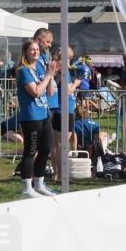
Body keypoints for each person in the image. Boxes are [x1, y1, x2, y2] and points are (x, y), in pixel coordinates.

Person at [16, 37, 59, 198]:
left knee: (45, 149)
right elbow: (35, 92)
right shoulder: (23, 71)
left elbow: (50, 92)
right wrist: (47, 76)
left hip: (44, 114)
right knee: (30, 151)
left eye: (37, 50)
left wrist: (51, 75)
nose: (35, 52)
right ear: (25, 53)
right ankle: (27, 187)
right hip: (31, 116)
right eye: (31, 49)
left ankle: (39, 184)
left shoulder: (39, 69)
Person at [49, 46, 81, 182]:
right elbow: (68, 90)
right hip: (65, 109)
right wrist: (77, 83)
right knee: (62, 145)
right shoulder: (65, 70)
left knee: (56, 145)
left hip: (58, 108)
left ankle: (56, 173)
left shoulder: (58, 67)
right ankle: (62, 175)